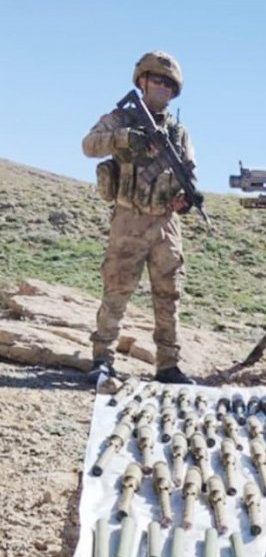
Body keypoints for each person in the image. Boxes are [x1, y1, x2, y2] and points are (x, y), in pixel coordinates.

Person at [82, 51, 203, 385]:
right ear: (142, 81)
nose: (164, 88)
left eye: (170, 84)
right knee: (117, 289)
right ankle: (102, 359)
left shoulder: (179, 133)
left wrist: (187, 198)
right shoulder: (121, 119)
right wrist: (126, 139)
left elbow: (188, 173)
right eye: (158, 80)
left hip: (165, 224)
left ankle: (168, 365)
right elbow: (88, 145)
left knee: (169, 294)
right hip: (129, 218)